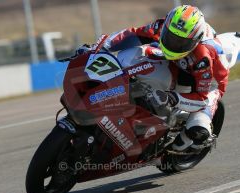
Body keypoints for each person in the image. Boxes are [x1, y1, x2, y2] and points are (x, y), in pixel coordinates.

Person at [80, 5, 229, 152]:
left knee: (198, 129)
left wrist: (173, 98)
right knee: (131, 57)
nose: (173, 44)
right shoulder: (163, 25)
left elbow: (201, 98)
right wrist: (98, 48)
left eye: (180, 42)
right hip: (177, 61)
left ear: (194, 41)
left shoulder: (203, 58)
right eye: (170, 37)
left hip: (210, 81)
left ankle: (194, 138)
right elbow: (131, 34)